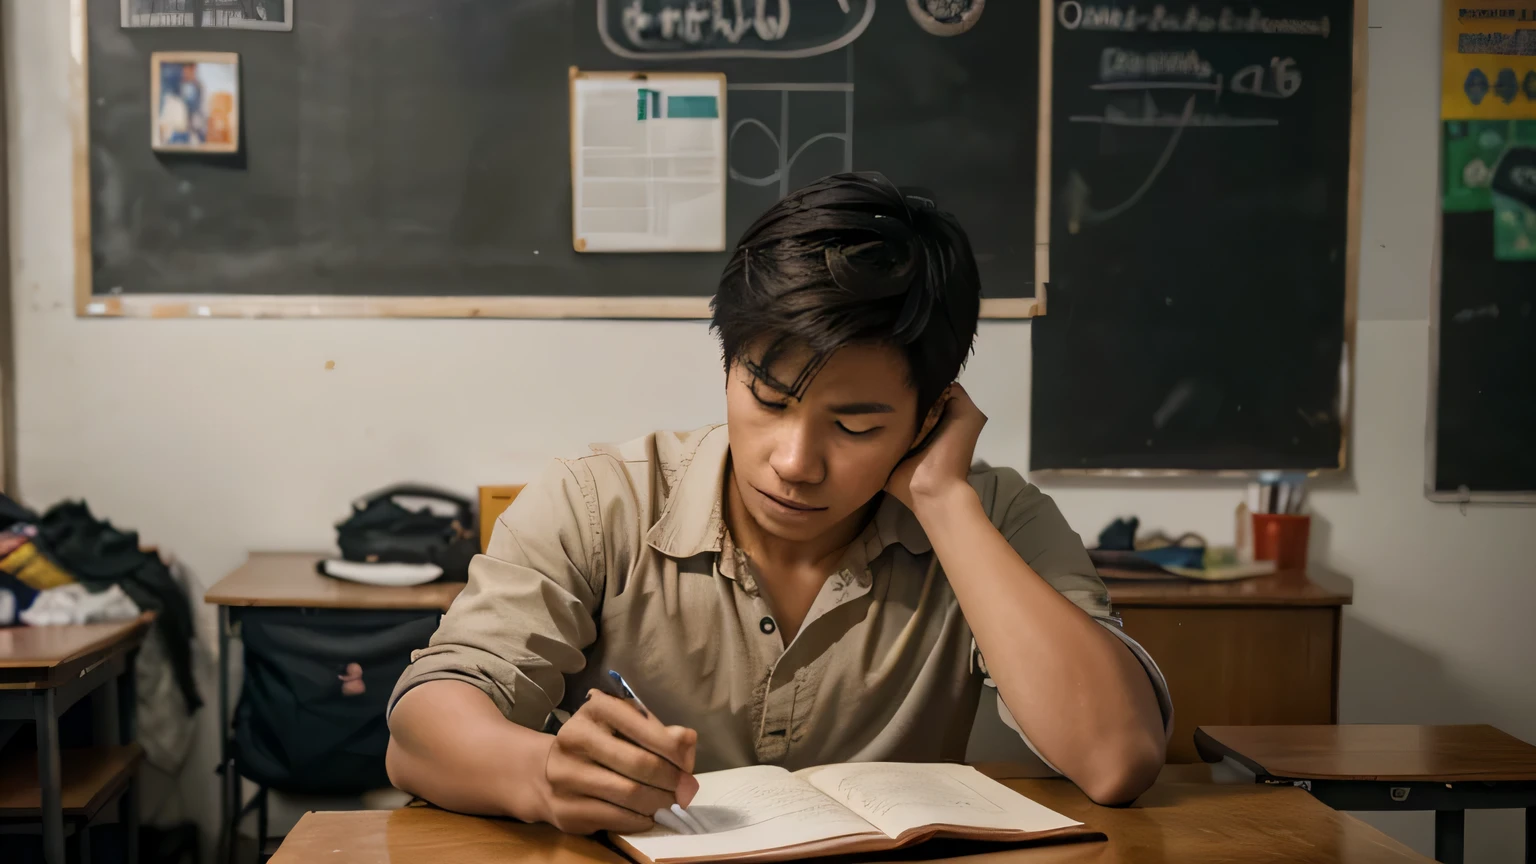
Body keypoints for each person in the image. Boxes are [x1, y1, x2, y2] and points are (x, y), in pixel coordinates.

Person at [385, 173, 1172, 835]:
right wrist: (543, 774)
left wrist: (941, 499)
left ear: (929, 418)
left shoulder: (993, 519)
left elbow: (1118, 758)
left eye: (857, 425)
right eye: (766, 396)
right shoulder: (602, 502)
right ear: (729, 364)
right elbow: (422, 731)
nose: (795, 462)